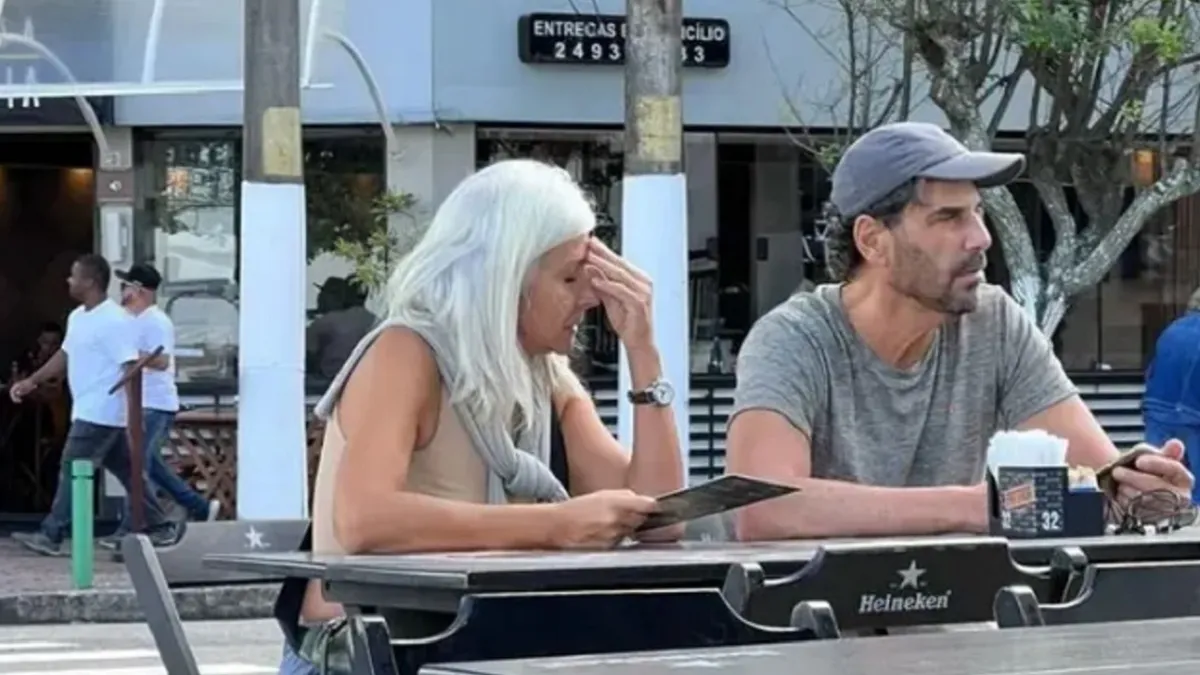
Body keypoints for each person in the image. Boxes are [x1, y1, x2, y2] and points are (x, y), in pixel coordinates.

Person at [276, 159, 685, 675]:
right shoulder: (407, 351)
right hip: (363, 653)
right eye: (568, 278)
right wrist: (553, 525)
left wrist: (643, 351)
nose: (590, 299)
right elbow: (363, 521)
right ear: (503, 278)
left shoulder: (545, 374)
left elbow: (659, 519)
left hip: (473, 648)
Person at [726, 121, 1194, 541]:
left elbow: (1094, 478)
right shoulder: (794, 338)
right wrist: (977, 506)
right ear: (871, 240)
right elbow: (759, 504)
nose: (981, 237)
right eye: (948, 218)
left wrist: (1138, 490)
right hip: (817, 625)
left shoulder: (993, 321)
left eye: (977, 213)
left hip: (966, 626)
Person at [10, 254, 182, 555]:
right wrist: (31, 381)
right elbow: (64, 356)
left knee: (71, 467)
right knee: (130, 473)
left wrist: (133, 417)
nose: (68, 280)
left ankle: (52, 532)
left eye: (73, 276)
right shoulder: (78, 317)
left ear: (89, 282)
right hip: (95, 411)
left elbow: (130, 368)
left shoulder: (114, 321)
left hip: (101, 412)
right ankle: (159, 524)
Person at [99, 263, 218, 550]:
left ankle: (133, 527)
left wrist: (131, 354)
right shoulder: (129, 320)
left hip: (155, 403)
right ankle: (198, 507)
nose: (121, 291)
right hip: (137, 404)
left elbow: (162, 360)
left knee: (141, 465)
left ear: (138, 289)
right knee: (145, 465)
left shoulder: (156, 321)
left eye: (126, 285)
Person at [1143, 287, 1200, 503]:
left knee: (1160, 479)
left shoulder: (1172, 330)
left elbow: (1152, 371)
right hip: (1194, 416)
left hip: (1158, 412)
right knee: (1194, 486)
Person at [305, 276, 377, 381]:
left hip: (327, 384)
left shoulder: (328, 321)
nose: (320, 297)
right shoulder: (377, 322)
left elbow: (306, 357)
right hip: (366, 380)